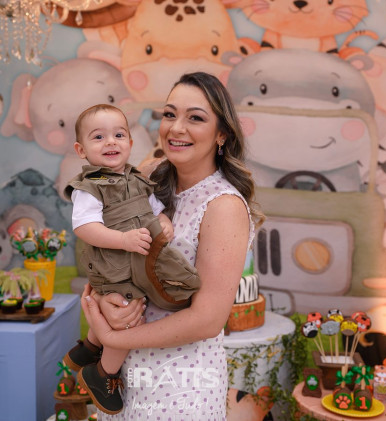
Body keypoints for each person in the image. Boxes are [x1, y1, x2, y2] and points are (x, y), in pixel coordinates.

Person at [81, 72, 265, 420]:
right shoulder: (147, 174)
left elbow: (207, 321)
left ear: (222, 134)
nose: (176, 128)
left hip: (180, 383)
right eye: (169, 114)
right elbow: (108, 251)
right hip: (120, 377)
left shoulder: (223, 206)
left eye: (195, 118)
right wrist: (105, 301)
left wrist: (114, 339)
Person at [62, 104, 202, 414]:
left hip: (134, 263)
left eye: (118, 135)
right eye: (98, 137)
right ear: (81, 150)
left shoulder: (137, 178)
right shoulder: (89, 188)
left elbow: (153, 210)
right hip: (112, 266)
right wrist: (122, 240)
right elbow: (85, 227)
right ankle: (102, 374)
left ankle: (89, 348)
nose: (110, 142)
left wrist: (163, 221)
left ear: (130, 142)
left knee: (124, 305)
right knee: (127, 318)